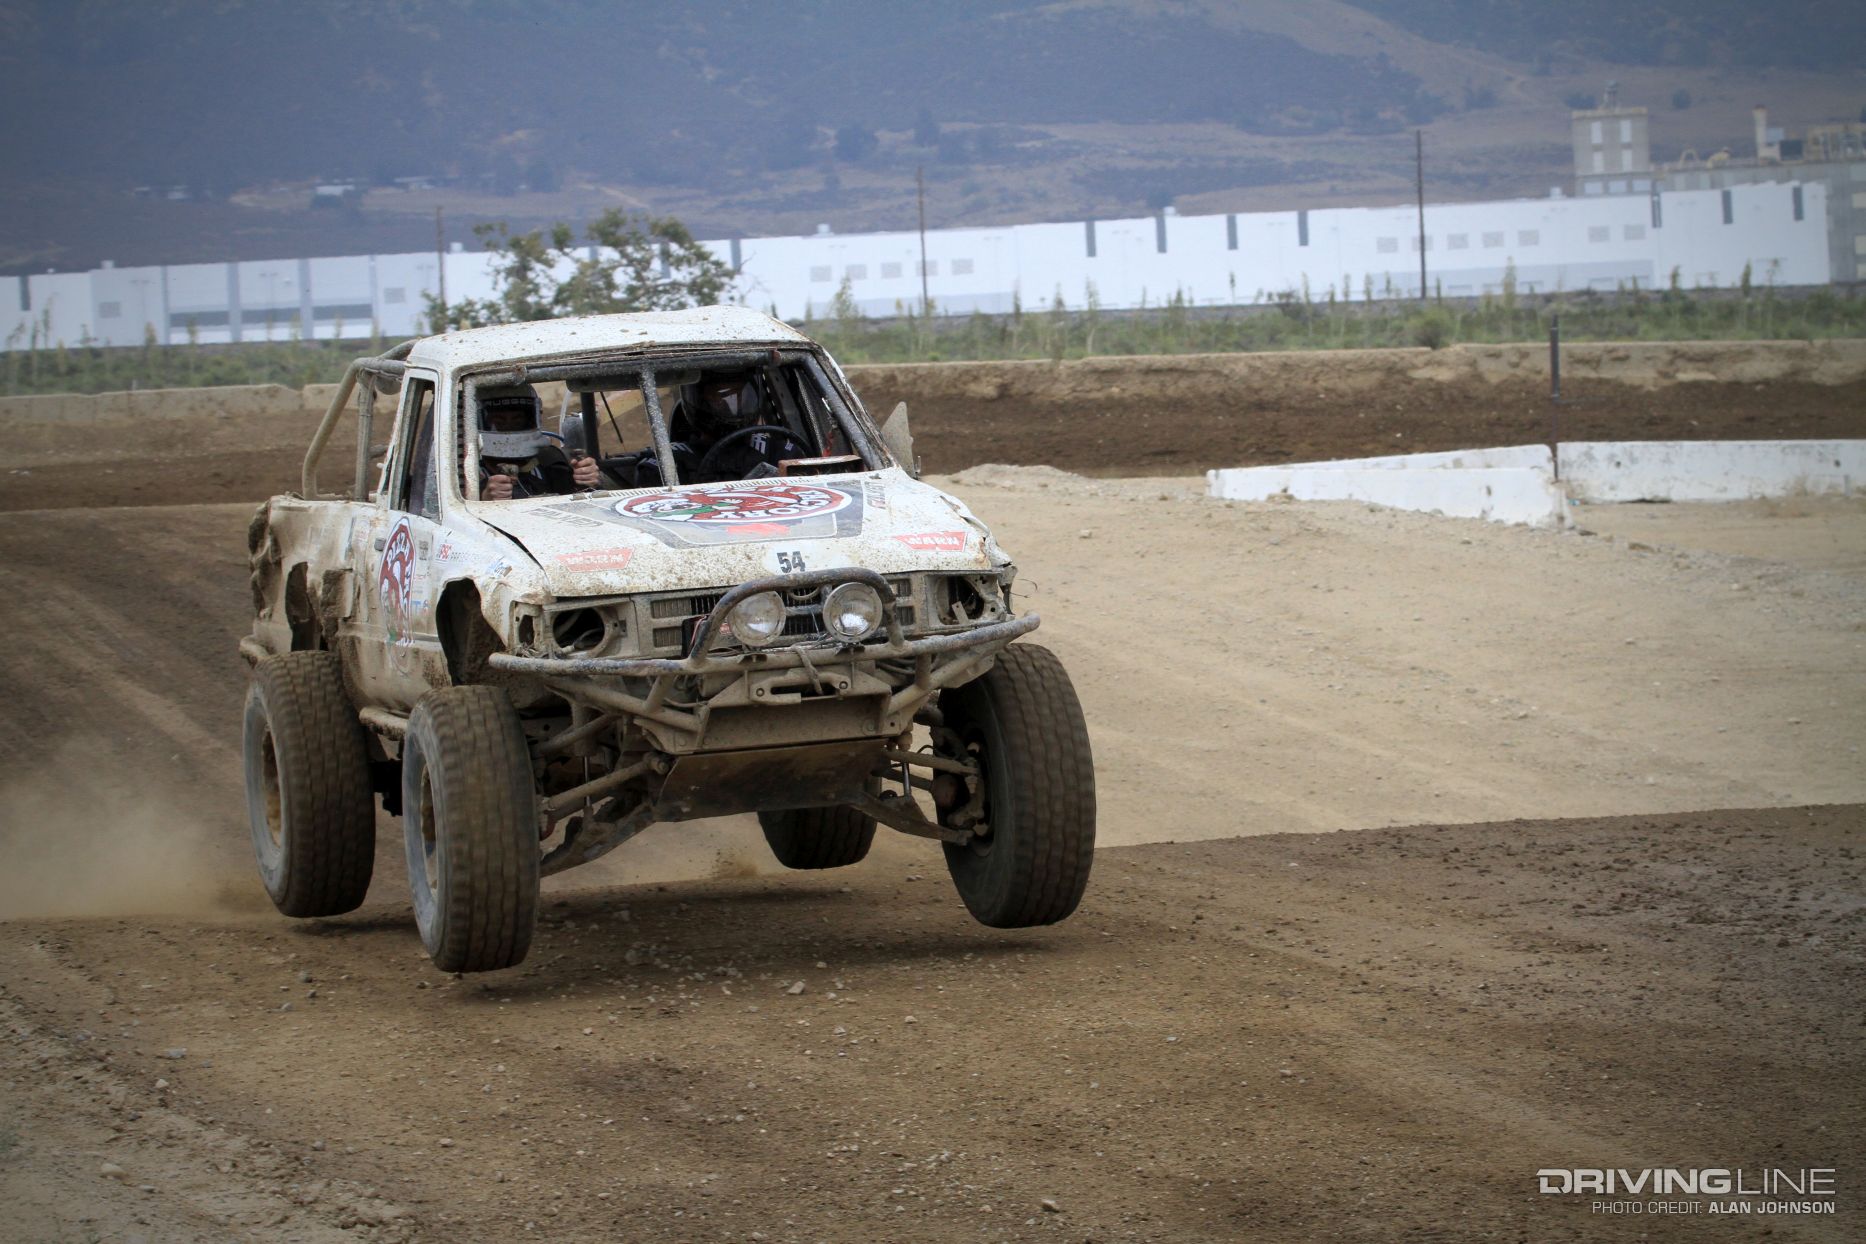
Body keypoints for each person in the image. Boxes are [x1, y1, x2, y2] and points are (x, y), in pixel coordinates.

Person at [626, 370, 809, 486]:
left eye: (740, 395)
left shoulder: (781, 454)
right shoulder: (666, 467)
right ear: (697, 401)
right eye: (719, 398)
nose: (732, 406)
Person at [473, 382, 601, 500]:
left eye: (517, 421)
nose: (508, 426)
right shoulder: (467, 472)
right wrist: (484, 499)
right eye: (499, 422)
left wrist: (586, 482)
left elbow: (579, 505)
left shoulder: (551, 460)